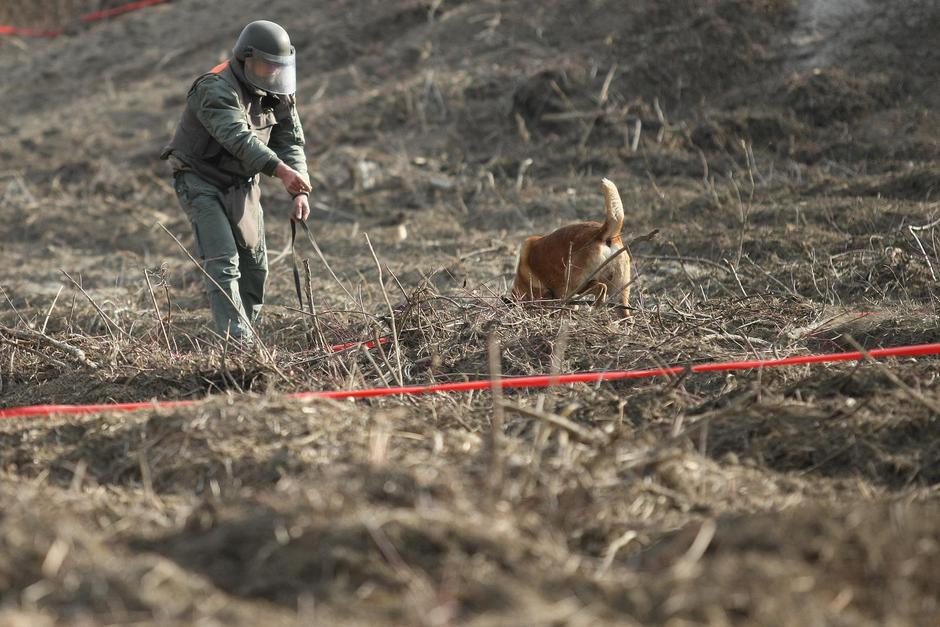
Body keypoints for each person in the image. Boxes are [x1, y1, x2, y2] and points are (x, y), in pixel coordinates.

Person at [161, 20, 311, 343]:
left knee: (255, 268)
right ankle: (237, 345)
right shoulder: (214, 88)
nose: (273, 72)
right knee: (224, 260)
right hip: (199, 179)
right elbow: (238, 138)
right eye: (267, 64)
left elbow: (290, 141)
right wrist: (281, 171)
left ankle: (246, 333)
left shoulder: (279, 90)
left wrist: (300, 190)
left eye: (278, 67)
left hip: (242, 182)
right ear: (246, 58)